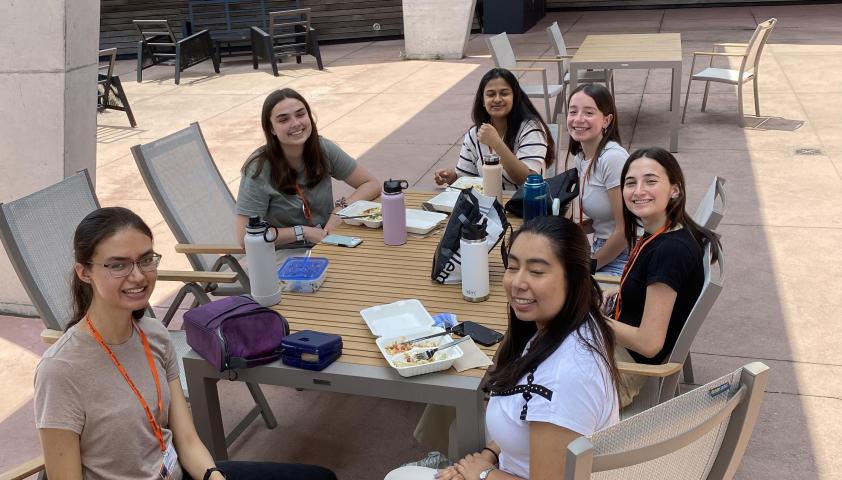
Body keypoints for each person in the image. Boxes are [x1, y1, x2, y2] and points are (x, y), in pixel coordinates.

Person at [34, 207, 337, 480]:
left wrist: (214, 478)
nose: (138, 276)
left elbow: (188, 441)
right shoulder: (61, 371)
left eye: (146, 260)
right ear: (84, 272)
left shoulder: (153, 334)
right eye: (118, 265)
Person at [437, 217, 620, 480]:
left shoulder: (563, 378)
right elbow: (525, 417)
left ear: (574, 278)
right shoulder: (569, 324)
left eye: (536, 271)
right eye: (512, 267)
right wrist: (490, 452)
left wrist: (483, 474)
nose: (517, 283)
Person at [608, 147, 721, 407]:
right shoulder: (663, 231)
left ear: (675, 189)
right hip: (617, 353)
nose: (638, 191)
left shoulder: (669, 253)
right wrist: (623, 295)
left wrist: (587, 317)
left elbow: (649, 344)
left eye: (651, 181)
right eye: (630, 183)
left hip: (622, 375)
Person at [236, 88, 380, 248]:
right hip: (285, 254)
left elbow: (371, 184)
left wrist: (340, 210)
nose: (296, 123)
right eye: (283, 120)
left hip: (328, 241)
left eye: (300, 114)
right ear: (271, 129)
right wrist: (302, 232)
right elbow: (244, 237)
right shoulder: (258, 168)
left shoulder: (323, 149)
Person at [433, 68, 555, 191]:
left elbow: (526, 179)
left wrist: (496, 143)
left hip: (524, 204)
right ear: (483, 101)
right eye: (491, 94)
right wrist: (452, 177)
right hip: (487, 205)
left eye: (504, 93)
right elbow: (467, 179)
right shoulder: (475, 134)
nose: (497, 99)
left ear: (515, 97)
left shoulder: (531, 128)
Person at [566, 83, 629, 276]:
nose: (578, 119)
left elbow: (626, 230)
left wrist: (590, 266)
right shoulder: (581, 158)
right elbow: (604, 218)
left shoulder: (612, 158)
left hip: (625, 255)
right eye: (573, 111)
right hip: (604, 247)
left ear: (607, 120)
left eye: (589, 113)